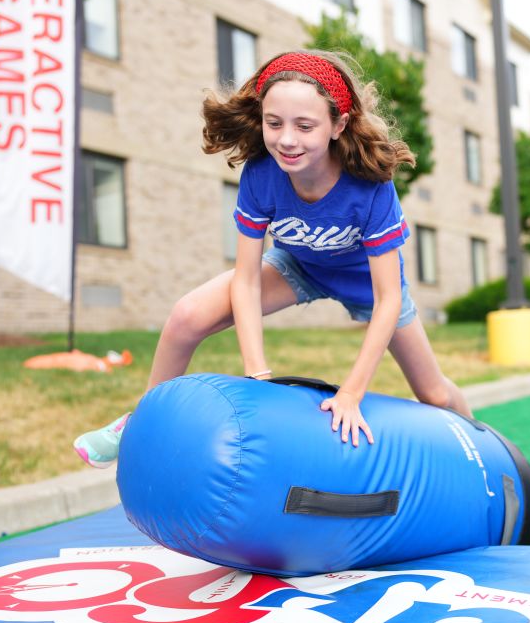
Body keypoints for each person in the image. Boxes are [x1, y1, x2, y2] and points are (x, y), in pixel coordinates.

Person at [73, 50, 471, 468]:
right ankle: (142, 424)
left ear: (339, 124)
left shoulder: (370, 184)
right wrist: (257, 374)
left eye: (305, 125)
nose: (286, 139)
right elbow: (245, 281)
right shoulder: (262, 173)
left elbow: (389, 298)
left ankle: (483, 450)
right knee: (186, 315)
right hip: (299, 267)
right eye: (274, 122)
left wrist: (351, 393)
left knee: (435, 395)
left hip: (367, 284)